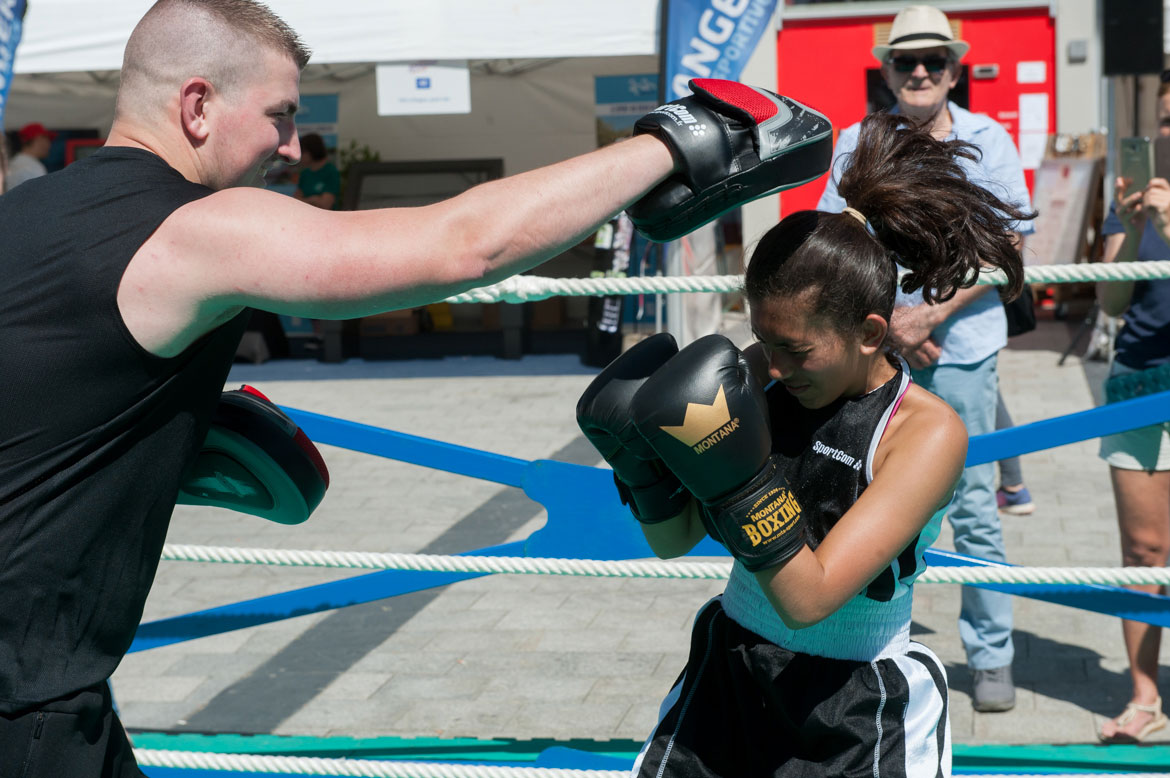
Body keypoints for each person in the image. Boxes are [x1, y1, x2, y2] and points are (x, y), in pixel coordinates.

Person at [0, 1, 822, 774]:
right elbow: (464, 245)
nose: (291, 145)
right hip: (30, 699)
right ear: (197, 106)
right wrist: (684, 140)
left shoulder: (25, 215)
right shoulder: (188, 229)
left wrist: (144, 444)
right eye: (281, 115)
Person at [578, 111, 1029, 777]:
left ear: (871, 333)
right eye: (763, 335)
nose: (774, 362)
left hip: (852, 700)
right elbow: (673, 541)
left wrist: (736, 480)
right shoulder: (759, 374)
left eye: (796, 348)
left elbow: (808, 597)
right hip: (732, 664)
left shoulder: (925, 432)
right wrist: (644, 466)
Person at [816, 4, 1034, 713]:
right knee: (868, 497)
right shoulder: (858, 140)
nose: (918, 72)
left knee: (973, 502)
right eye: (905, 60)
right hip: (876, 353)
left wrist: (931, 313)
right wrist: (890, 328)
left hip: (962, 345)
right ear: (884, 69)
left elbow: (1011, 248)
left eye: (933, 60)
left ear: (954, 67)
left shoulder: (987, 138)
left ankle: (992, 654)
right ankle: (874, 648)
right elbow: (836, 243)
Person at [1094, 77, 1170, 744]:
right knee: (1144, 551)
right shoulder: (1138, 196)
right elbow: (1111, 307)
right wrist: (1136, 226)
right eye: (1167, 119)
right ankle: (1145, 695)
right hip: (1140, 381)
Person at [293, 131, 340, 209]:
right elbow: (295, 201)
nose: (300, 155)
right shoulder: (305, 173)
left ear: (312, 151)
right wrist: (314, 199)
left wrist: (305, 201)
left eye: (303, 151)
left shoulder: (331, 172)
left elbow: (326, 205)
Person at [5, 121, 55, 190]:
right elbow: (42, 196)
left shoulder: (14, 162)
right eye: (47, 139)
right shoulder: (33, 167)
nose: (49, 145)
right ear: (38, 139)